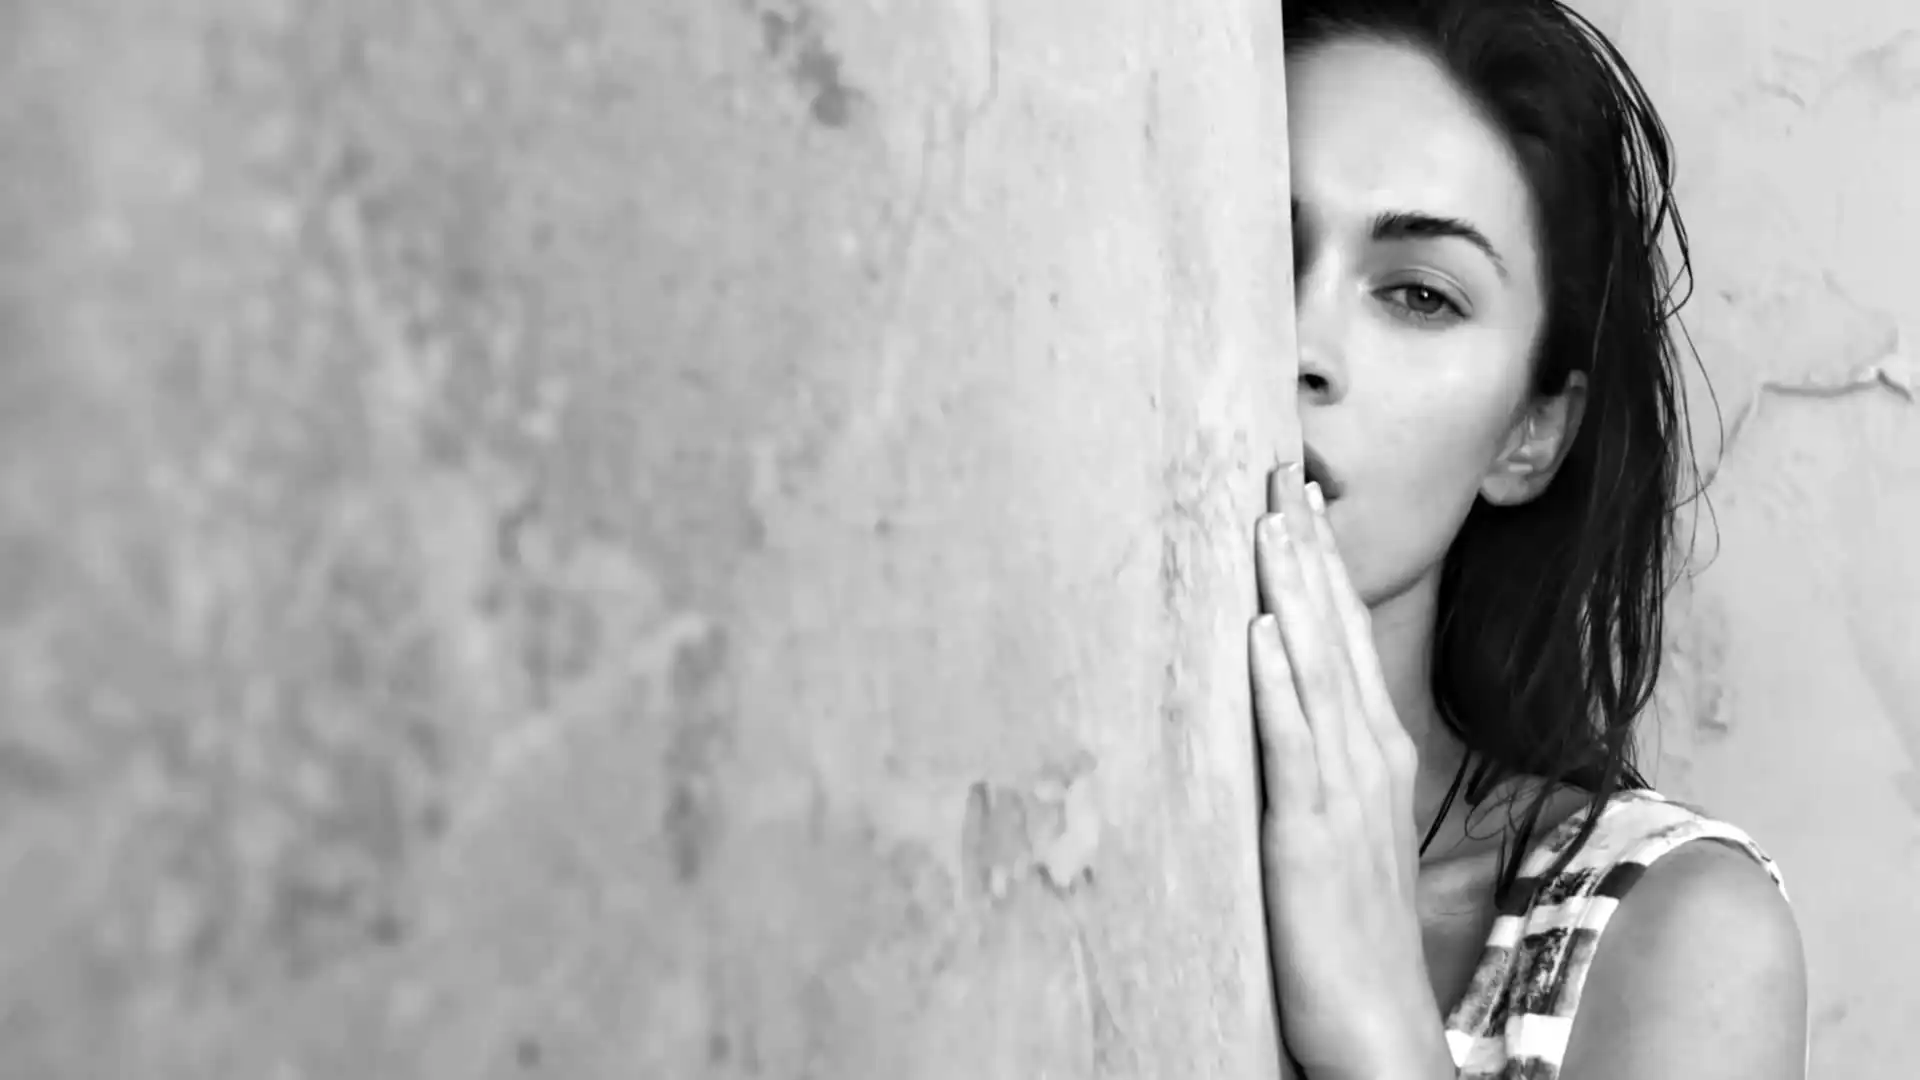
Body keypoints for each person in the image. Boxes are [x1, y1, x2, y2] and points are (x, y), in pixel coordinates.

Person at [1246, 1, 1810, 1077]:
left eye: (1420, 294)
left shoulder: (1673, 934)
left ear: (1529, 434)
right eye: (1260, 250)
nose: (1302, 345)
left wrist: (1378, 1030)